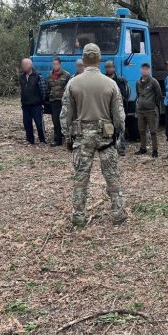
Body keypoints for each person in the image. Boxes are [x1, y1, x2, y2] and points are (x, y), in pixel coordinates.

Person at [60, 43, 126, 227]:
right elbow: (119, 116)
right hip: (106, 136)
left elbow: (65, 114)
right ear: (99, 59)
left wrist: (67, 135)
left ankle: (78, 216)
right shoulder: (110, 83)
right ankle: (118, 214)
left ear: (84, 59)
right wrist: (119, 134)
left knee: (81, 178)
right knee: (112, 176)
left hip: (81, 136)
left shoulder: (73, 83)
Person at [135, 63, 162, 157]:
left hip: (150, 110)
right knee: (141, 130)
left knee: (153, 131)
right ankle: (143, 148)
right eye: (143, 69)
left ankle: (155, 150)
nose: (144, 71)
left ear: (149, 70)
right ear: (141, 70)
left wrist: (153, 104)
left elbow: (159, 95)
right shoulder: (138, 82)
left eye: (146, 69)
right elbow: (138, 95)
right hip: (140, 111)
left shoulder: (154, 82)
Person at [19, 58, 46, 145]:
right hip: (25, 105)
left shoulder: (38, 76)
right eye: (23, 65)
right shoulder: (21, 77)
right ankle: (30, 139)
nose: (24, 66)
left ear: (30, 65)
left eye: (26, 65)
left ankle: (42, 140)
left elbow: (43, 91)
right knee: (27, 123)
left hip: (36, 105)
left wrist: (41, 102)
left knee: (39, 123)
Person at [105, 60, 129, 156]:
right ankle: (110, 147)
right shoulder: (103, 79)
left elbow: (125, 94)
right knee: (108, 129)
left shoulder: (120, 80)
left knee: (120, 127)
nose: (109, 69)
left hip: (118, 107)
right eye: (107, 67)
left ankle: (121, 148)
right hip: (106, 108)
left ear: (114, 68)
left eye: (111, 67)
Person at [46, 57, 71, 147]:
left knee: (65, 121)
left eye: (56, 64)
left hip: (63, 102)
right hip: (54, 101)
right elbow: (47, 88)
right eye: (53, 64)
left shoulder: (66, 75)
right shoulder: (49, 75)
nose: (55, 66)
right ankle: (57, 140)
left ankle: (68, 139)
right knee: (55, 121)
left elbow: (69, 89)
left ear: (60, 64)